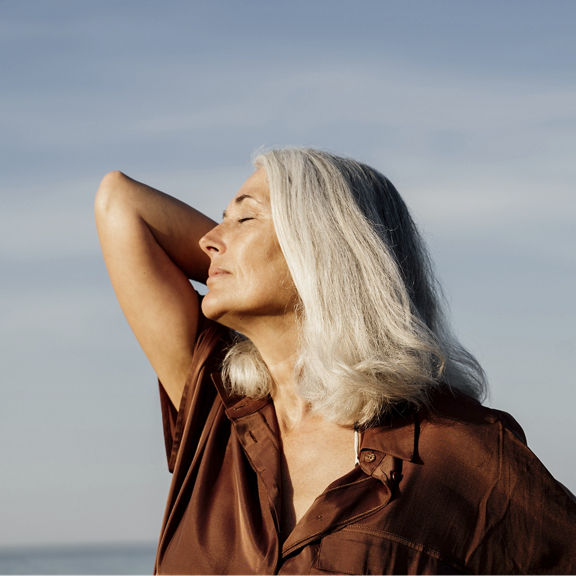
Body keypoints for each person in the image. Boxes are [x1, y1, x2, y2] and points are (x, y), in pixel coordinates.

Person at [95, 148, 575, 574]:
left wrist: (302, 272)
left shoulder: (461, 447)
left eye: (245, 219)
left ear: (322, 245)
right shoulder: (216, 402)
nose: (208, 240)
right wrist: (240, 264)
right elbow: (120, 202)